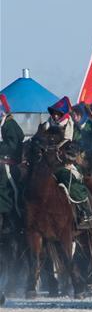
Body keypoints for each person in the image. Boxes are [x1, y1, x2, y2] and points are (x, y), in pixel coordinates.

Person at [0, 94, 24, 231]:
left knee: (3, 188)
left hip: (9, 165)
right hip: (3, 164)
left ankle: (9, 219)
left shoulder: (9, 124)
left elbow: (13, 146)